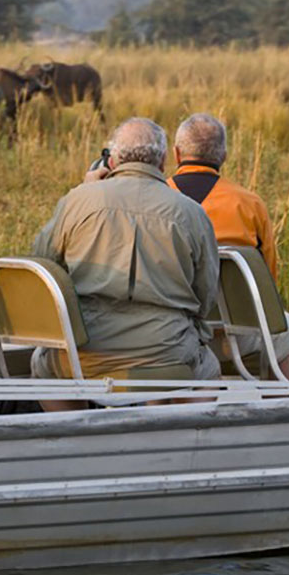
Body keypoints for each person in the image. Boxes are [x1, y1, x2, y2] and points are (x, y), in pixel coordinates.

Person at [31, 117, 221, 386]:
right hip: (167, 350)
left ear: (113, 160)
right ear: (164, 159)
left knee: (42, 366)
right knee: (207, 370)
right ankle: (177, 425)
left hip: (85, 352)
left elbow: (41, 264)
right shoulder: (191, 212)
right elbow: (206, 296)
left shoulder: (78, 200)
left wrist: (85, 190)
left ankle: (79, 424)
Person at [168, 113, 289, 373]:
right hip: (234, 339)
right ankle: (279, 401)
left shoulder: (157, 200)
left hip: (173, 333)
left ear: (176, 154)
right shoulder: (249, 203)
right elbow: (267, 283)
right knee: (288, 327)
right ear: (224, 155)